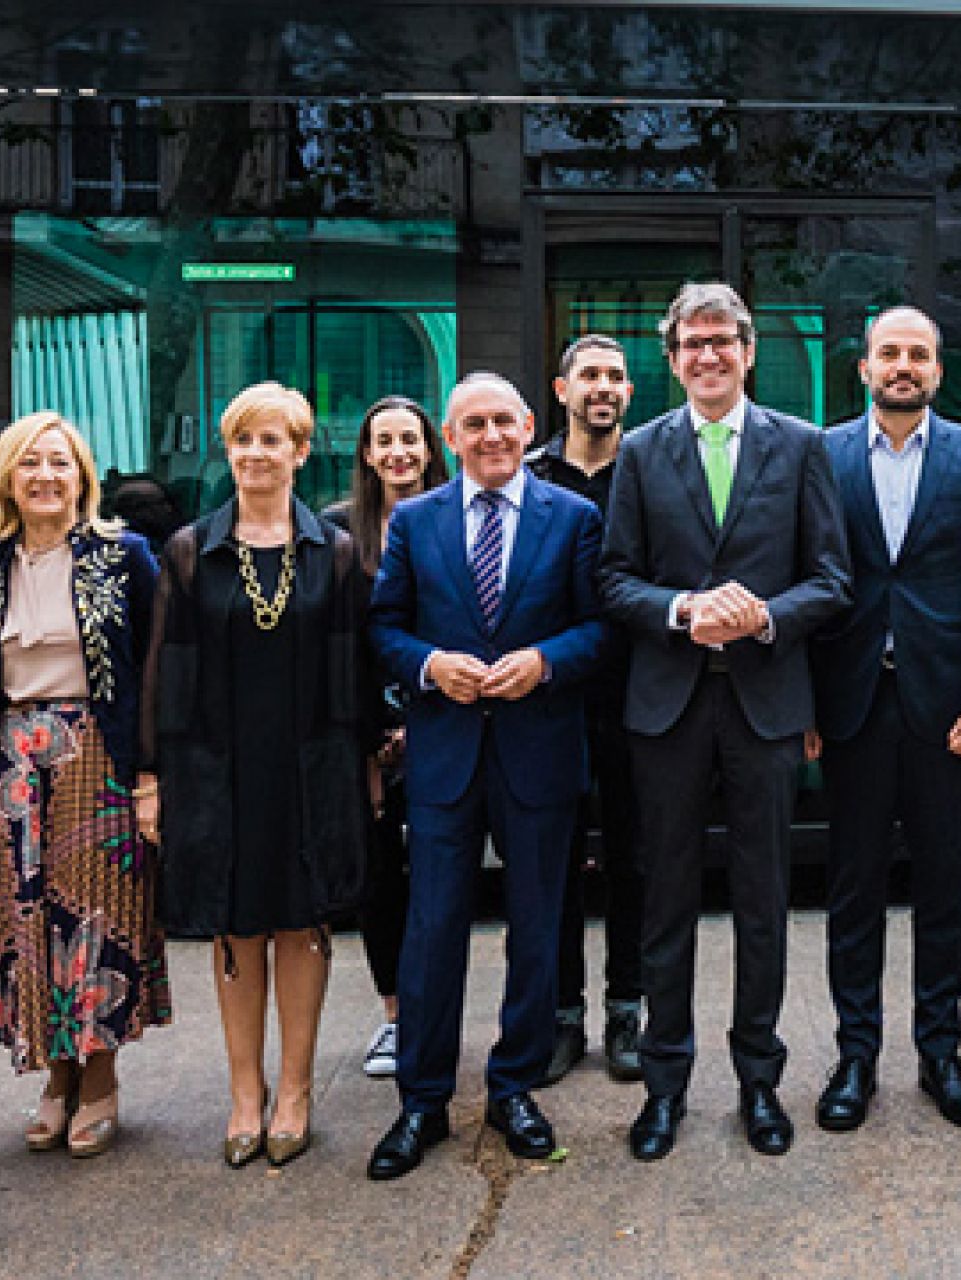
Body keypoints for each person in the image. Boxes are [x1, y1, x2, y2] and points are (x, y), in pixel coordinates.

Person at [601, 281, 851, 1161]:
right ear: (671, 360)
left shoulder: (802, 445)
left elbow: (831, 578)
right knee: (665, 901)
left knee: (762, 901)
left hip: (765, 703)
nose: (707, 355)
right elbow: (614, 578)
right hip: (667, 708)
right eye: (691, 343)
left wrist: (763, 617)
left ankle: (759, 1083)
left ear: (747, 352)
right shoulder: (639, 451)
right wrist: (682, 611)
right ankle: (663, 1087)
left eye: (722, 340)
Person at [364, 372, 606, 1179]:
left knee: (537, 930)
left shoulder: (574, 518)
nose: (492, 435)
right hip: (445, 758)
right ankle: (422, 1102)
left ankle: (515, 1088)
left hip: (539, 754)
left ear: (530, 424)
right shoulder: (417, 521)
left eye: (505, 421)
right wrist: (431, 664)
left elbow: (601, 629)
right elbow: (385, 626)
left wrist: (545, 661)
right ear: (450, 435)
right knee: (432, 933)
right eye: (474, 424)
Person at [138, 381, 370, 1168]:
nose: (256, 454)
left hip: (311, 768)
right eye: (242, 440)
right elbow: (163, 673)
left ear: (302, 453)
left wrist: (365, 765)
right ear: (227, 451)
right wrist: (152, 780)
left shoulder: (333, 553)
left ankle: (297, 1090)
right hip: (216, 768)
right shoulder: (187, 550)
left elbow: (355, 675)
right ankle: (245, 1092)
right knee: (237, 926)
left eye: (273, 440)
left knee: (302, 921)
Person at [809, 306, 961, 1132]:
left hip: (948, 712)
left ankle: (940, 1054)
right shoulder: (817, 455)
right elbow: (801, 578)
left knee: (945, 890)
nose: (904, 366)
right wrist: (803, 709)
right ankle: (855, 1056)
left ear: (938, 370)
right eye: (889, 353)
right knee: (852, 892)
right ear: (863, 368)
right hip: (849, 707)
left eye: (918, 355)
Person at [0, 412, 170, 1157]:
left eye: (59, 462)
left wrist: (149, 772)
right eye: (29, 463)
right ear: (7, 479)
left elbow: (153, 669)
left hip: (96, 755)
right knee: (26, 923)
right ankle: (57, 1079)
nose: (45, 476)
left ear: (82, 475)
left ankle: (102, 1079)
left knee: (96, 919)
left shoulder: (125, 556)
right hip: (10, 762)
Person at [321, 395, 451, 1080]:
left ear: (430, 447)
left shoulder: (458, 516)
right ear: (367, 455)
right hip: (367, 737)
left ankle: (440, 1011)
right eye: (385, 441)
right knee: (380, 880)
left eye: (411, 438)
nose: (399, 452)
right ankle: (397, 1016)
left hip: (445, 722)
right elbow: (339, 645)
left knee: (441, 876)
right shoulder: (339, 534)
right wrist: (372, 739)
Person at [527, 335, 645, 1086]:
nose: (602, 387)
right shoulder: (532, 475)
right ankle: (562, 1015)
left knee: (636, 861)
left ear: (628, 393)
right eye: (589, 375)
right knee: (553, 861)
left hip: (639, 695)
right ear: (562, 388)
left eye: (615, 376)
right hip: (551, 696)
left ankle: (628, 1008)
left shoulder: (654, 467)